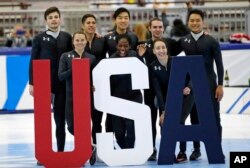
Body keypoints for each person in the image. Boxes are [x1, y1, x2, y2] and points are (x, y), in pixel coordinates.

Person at [29, 7, 72, 165]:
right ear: (46, 20)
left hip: (61, 85)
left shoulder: (67, 37)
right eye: (50, 17)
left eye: (56, 17)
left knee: (59, 120)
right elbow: (33, 61)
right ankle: (43, 152)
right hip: (43, 86)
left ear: (60, 19)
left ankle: (60, 152)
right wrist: (32, 83)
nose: (54, 20)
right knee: (42, 122)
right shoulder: (39, 39)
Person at [179, 9, 224, 161]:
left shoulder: (211, 41)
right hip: (192, 85)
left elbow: (219, 64)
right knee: (194, 118)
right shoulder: (184, 41)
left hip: (210, 84)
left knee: (214, 118)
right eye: (192, 20)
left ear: (203, 22)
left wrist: (220, 85)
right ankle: (196, 149)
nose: (195, 23)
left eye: (198, 20)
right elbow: (166, 50)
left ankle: (217, 148)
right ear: (188, 22)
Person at [139, 17, 181, 161]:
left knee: (167, 120)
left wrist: (203, 32)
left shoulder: (170, 43)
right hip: (150, 89)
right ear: (149, 28)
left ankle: (168, 148)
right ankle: (151, 149)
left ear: (163, 28)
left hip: (169, 89)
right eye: (154, 27)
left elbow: (186, 42)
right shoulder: (142, 45)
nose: (157, 29)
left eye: (160, 27)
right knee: (150, 120)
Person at [104, 7, 138, 133]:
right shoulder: (107, 38)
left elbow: (137, 55)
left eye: (126, 18)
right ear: (115, 20)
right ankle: (110, 147)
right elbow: (102, 59)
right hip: (113, 83)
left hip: (130, 83)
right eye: (120, 18)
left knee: (130, 118)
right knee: (111, 116)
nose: (123, 21)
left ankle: (130, 144)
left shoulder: (133, 37)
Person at [109, 34, 143, 149]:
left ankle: (131, 152)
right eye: (120, 45)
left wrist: (141, 57)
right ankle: (125, 151)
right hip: (117, 98)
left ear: (130, 46)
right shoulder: (111, 59)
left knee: (131, 126)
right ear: (116, 45)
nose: (122, 48)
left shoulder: (134, 55)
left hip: (134, 96)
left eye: (126, 46)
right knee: (118, 132)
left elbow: (143, 73)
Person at [80, 13, 106, 165]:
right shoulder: (76, 40)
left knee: (97, 120)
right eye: (88, 22)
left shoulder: (101, 41)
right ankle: (85, 147)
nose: (91, 25)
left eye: (93, 22)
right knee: (82, 119)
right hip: (81, 85)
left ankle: (96, 148)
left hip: (97, 86)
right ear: (83, 25)